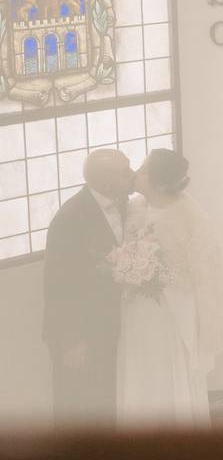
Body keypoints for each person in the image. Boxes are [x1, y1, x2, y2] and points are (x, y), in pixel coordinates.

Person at [115, 149, 223, 427]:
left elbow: (203, 273)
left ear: (160, 183)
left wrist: (155, 272)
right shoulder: (133, 206)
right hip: (136, 307)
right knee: (141, 366)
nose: (137, 174)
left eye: (143, 170)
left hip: (170, 311)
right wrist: (130, 267)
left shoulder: (189, 216)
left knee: (166, 366)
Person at [42, 149, 135, 426]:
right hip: (79, 330)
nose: (132, 176)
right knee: (79, 407)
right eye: (126, 171)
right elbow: (58, 284)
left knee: (109, 402)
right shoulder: (69, 219)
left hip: (111, 326)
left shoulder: (126, 205)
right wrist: (71, 339)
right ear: (108, 184)